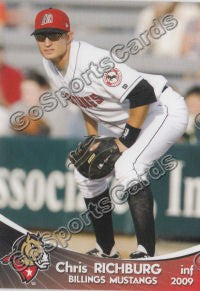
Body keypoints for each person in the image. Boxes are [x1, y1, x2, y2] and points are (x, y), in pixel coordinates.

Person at [32, 8, 188, 258]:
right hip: (129, 118)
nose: (47, 42)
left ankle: (146, 254)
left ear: (68, 35)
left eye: (54, 34)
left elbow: (143, 93)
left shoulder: (92, 62)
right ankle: (107, 251)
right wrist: (92, 138)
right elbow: (84, 102)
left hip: (161, 110)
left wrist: (125, 141)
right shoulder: (50, 65)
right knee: (86, 176)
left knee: (129, 165)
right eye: (41, 36)